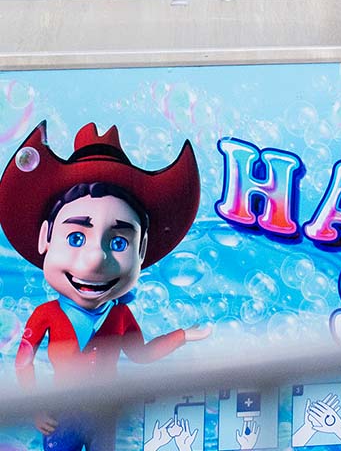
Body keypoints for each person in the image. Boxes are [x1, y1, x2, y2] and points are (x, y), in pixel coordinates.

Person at [0, 121, 212, 451]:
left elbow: (140, 355)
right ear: (45, 237)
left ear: (141, 250)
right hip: (60, 413)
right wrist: (36, 406)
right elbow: (23, 362)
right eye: (75, 237)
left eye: (118, 242)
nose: (96, 260)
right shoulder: (45, 315)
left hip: (104, 413)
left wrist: (182, 336)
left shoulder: (120, 316)